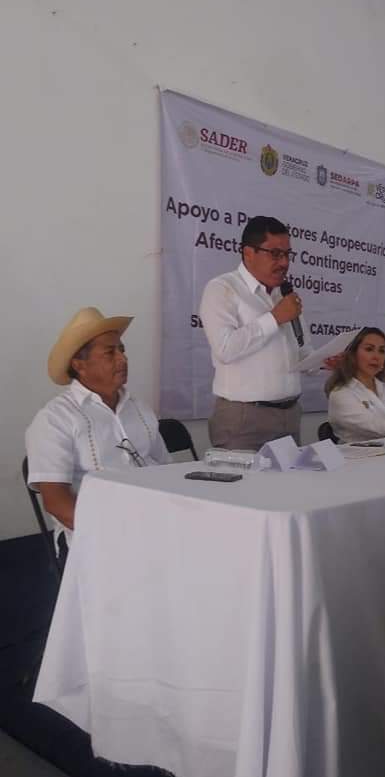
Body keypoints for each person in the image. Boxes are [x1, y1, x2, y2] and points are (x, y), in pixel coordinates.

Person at [26, 307, 170, 559]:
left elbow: (167, 469)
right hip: (96, 536)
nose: (123, 359)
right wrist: (117, 534)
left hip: (155, 523)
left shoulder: (139, 408)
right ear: (79, 364)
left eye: (122, 350)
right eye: (110, 352)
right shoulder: (54, 419)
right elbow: (57, 503)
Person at [199, 215, 315, 451]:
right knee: (241, 478)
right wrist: (274, 318)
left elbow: (302, 352)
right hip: (244, 419)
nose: (284, 262)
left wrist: (324, 362)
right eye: (275, 254)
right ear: (248, 253)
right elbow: (225, 349)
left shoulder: (284, 295)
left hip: (290, 415)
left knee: (291, 478)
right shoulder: (222, 289)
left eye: (287, 254)